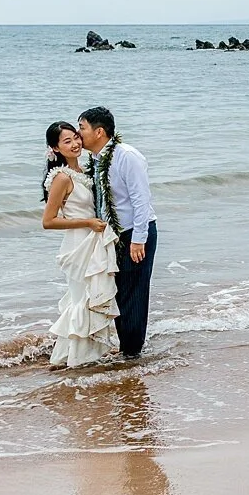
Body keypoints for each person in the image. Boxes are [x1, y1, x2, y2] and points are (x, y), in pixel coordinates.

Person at [77, 106, 158, 358]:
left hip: (135, 233)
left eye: (82, 128)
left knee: (133, 294)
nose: (79, 135)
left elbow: (141, 201)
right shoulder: (98, 159)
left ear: (99, 131)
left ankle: (132, 354)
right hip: (114, 234)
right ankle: (127, 348)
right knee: (119, 293)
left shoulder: (127, 156)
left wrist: (138, 241)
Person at [40, 121, 120, 368]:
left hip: (93, 240)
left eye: (76, 137)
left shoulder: (86, 171)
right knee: (80, 298)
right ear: (55, 148)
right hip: (78, 244)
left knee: (92, 295)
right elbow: (48, 221)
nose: (75, 144)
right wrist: (87, 221)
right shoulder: (61, 178)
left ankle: (88, 353)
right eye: (67, 141)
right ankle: (75, 357)